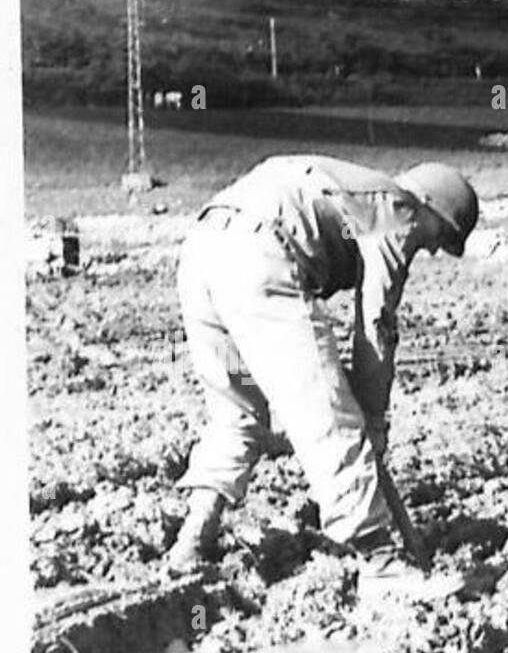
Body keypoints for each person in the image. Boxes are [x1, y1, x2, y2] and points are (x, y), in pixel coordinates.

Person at [168, 155, 478, 589]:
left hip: (203, 256)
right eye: (440, 236)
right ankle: (381, 562)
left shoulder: (357, 191)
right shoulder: (397, 209)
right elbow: (375, 324)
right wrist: (372, 418)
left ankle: (194, 536)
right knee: (328, 413)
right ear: (428, 204)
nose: (428, 249)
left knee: (238, 409)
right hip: (261, 260)